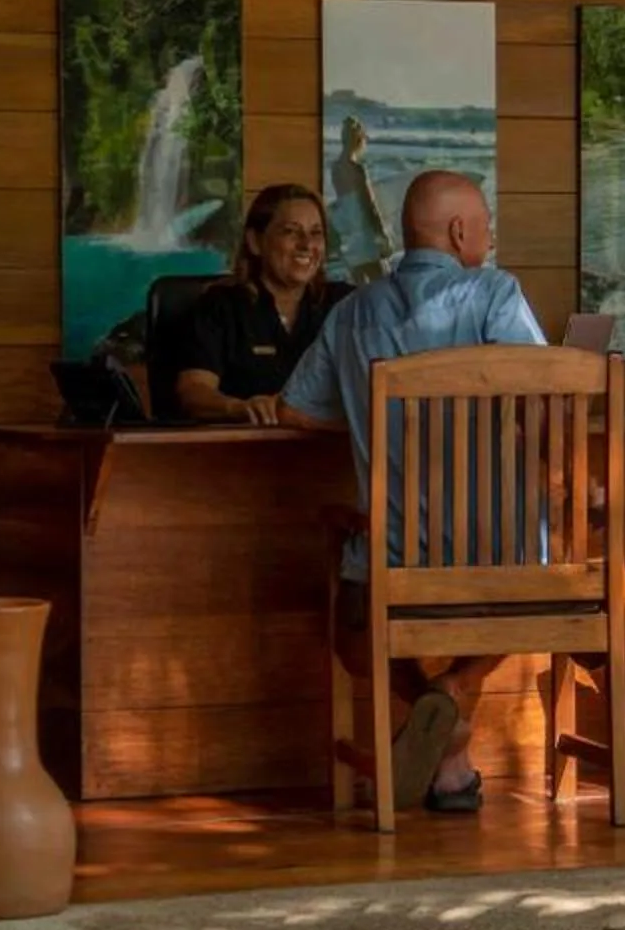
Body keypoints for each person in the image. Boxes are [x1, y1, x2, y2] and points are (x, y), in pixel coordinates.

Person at [278, 170, 543, 813]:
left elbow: (295, 412)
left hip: (396, 559)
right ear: (459, 232)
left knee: (352, 629)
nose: (490, 234)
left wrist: (372, 413)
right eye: (485, 222)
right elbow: (546, 390)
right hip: (503, 558)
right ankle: (453, 699)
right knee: (529, 577)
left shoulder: (352, 311)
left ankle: (441, 727)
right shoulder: (494, 294)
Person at [173, 186, 337, 425]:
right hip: (238, 452)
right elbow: (193, 391)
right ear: (255, 242)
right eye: (291, 231)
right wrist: (239, 408)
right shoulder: (220, 306)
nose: (306, 244)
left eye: (316, 233)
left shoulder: (343, 305)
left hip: (326, 449)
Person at [327, 117, 394, 285]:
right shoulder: (358, 169)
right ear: (359, 140)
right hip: (363, 229)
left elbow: (343, 199)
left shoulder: (335, 167)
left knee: (360, 283)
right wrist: (382, 234)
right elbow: (369, 204)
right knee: (383, 282)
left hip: (347, 227)